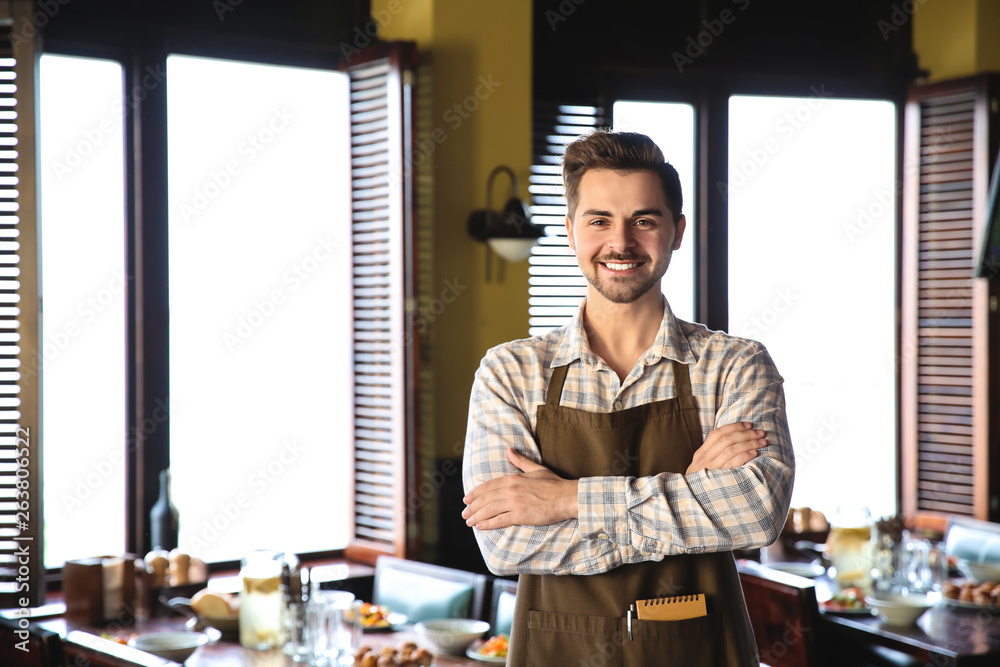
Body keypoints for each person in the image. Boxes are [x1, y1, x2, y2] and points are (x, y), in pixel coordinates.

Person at [461, 130, 795, 666]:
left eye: (645, 220)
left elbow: (756, 513)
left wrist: (566, 500)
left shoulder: (736, 365)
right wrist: (691, 494)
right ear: (570, 231)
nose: (621, 242)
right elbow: (505, 546)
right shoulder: (511, 371)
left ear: (676, 231)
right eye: (599, 221)